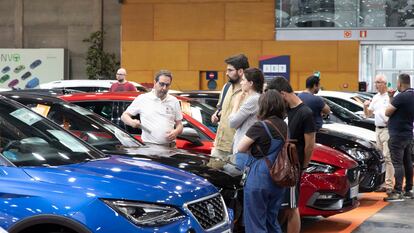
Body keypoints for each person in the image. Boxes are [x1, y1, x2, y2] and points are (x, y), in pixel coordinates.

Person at [267, 76, 316, 233]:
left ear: (282, 94)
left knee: (292, 207)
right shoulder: (284, 111)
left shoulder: (305, 113)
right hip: (280, 166)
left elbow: (310, 145)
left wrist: (303, 166)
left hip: (293, 167)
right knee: (281, 206)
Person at [237, 89, 287, 233]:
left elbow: (241, 147)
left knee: (255, 223)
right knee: (271, 220)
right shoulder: (284, 126)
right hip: (278, 177)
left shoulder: (260, 126)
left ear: (263, 106)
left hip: (259, 177)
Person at [121, 70, 183, 148]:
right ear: (155, 83)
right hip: (150, 148)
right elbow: (124, 116)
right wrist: (132, 122)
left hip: (171, 148)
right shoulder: (143, 99)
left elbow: (179, 125)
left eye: (167, 85)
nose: (164, 88)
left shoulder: (174, 101)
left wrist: (176, 132)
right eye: (161, 84)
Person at [208, 54, 249, 168]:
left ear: (240, 71)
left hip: (237, 148)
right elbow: (220, 109)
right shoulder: (226, 87)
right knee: (213, 177)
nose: (227, 73)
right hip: (219, 145)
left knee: (234, 183)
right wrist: (216, 115)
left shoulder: (249, 92)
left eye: (230, 70)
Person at [384, 73, 414, 201]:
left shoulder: (401, 96)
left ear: (400, 84)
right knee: (408, 162)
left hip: (397, 135)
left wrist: (393, 98)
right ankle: (409, 190)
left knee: (397, 163)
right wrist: (391, 97)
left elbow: (388, 112)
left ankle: (397, 192)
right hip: (408, 133)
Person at [363, 74, 394, 195]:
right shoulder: (375, 97)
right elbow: (368, 115)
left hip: (387, 129)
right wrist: (365, 106)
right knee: (381, 157)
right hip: (378, 129)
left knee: (388, 157)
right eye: (375, 82)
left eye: (379, 82)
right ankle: (382, 183)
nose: (376, 85)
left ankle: (389, 184)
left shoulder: (390, 97)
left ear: (385, 84)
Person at [228, 67, 264, 154]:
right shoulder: (257, 98)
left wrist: (237, 102)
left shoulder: (253, 100)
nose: (241, 83)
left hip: (244, 150)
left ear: (251, 83)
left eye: (243, 80)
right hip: (247, 148)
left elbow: (232, 122)